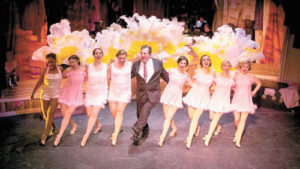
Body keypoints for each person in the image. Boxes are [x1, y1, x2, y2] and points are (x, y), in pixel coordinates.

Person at [131, 45, 169, 146]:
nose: (143, 55)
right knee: (140, 115)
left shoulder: (158, 63)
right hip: (141, 94)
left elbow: (164, 75)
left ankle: (136, 132)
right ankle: (145, 131)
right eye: (141, 53)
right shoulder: (135, 65)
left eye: (145, 53)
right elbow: (128, 76)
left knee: (144, 112)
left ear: (150, 54)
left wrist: (174, 85)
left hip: (153, 93)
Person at [158, 56, 192, 146]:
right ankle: (174, 128)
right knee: (167, 116)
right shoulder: (171, 70)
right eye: (181, 63)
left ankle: (162, 137)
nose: (183, 65)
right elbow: (162, 79)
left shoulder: (186, 75)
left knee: (168, 117)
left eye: (185, 63)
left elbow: (191, 84)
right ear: (178, 63)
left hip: (176, 97)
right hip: (167, 94)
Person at [183, 55, 214, 149]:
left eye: (208, 59)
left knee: (195, 118)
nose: (206, 61)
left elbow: (213, 86)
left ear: (210, 62)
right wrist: (186, 81)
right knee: (192, 117)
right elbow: (192, 83)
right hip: (193, 95)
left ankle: (189, 138)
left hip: (204, 97)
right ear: (201, 62)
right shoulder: (197, 71)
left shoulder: (213, 73)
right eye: (204, 59)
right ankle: (197, 128)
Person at [31, 53, 62, 146]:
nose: (50, 64)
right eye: (48, 62)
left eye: (52, 62)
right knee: (46, 115)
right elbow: (40, 81)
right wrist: (33, 92)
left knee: (51, 113)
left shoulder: (61, 69)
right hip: (45, 94)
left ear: (56, 61)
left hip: (55, 94)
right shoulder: (45, 70)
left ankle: (44, 135)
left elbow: (71, 73)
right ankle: (54, 128)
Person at [54, 55, 86, 147]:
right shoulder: (69, 70)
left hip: (76, 95)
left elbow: (88, 79)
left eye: (73, 62)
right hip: (66, 93)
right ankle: (74, 125)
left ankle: (59, 136)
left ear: (77, 61)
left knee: (67, 114)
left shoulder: (83, 70)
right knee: (65, 114)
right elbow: (63, 77)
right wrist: (64, 71)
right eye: (70, 62)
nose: (71, 64)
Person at [203, 60, 235, 146]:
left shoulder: (232, 77)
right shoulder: (217, 75)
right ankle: (219, 127)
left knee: (215, 119)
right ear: (222, 67)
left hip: (224, 101)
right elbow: (211, 85)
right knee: (211, 117)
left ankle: (208, 136)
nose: (226, 67)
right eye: (225, 65)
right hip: (215, 99)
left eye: (228, 66)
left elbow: (235, 88)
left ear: (230, 67)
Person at [80, 48, 107, 147]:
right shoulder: (89, 66)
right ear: (93, 55)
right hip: (90, 92)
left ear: (102, 55)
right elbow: (85, 78)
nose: (98, 54)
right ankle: (98, 125)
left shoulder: (106, 66)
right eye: (96, 53)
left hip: (101, 93)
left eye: (100, 53)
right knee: (89, 114)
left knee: (93, 114)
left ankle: (86, 136)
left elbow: (109, 78)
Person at [231, 60, 261, 148]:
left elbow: (259, 83)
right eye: (243, 66)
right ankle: (238, 131)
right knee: (237, 119)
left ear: (249, 68)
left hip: (246, 100)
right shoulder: (236, 76)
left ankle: (238, 140)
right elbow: (232, 85)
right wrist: (235, 90)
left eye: (247, 67)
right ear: (241, 67)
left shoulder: (251, 76)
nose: (245, 68)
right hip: (237, 99)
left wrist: (253, 92)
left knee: (243, 121)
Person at [108, 49, 132, 146]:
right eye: (120, 58)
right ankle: (120, 125)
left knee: (119, 111)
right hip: (113, 91)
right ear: (117, 57)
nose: (122, 60)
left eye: (124, 58)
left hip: (125, 91)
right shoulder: (111, 65)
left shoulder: (130, 64)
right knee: (113, 110)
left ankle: (116, 134)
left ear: (126, 57)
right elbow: (107, 77)